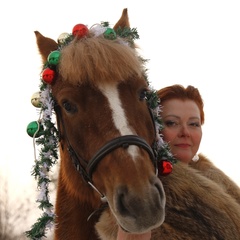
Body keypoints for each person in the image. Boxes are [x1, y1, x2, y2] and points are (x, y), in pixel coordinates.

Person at [157, 84, 240, 203]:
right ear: (153, 128)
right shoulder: (146, 190)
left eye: (194, 124)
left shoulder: (222, 186)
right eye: (172, 123)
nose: (185, 133)